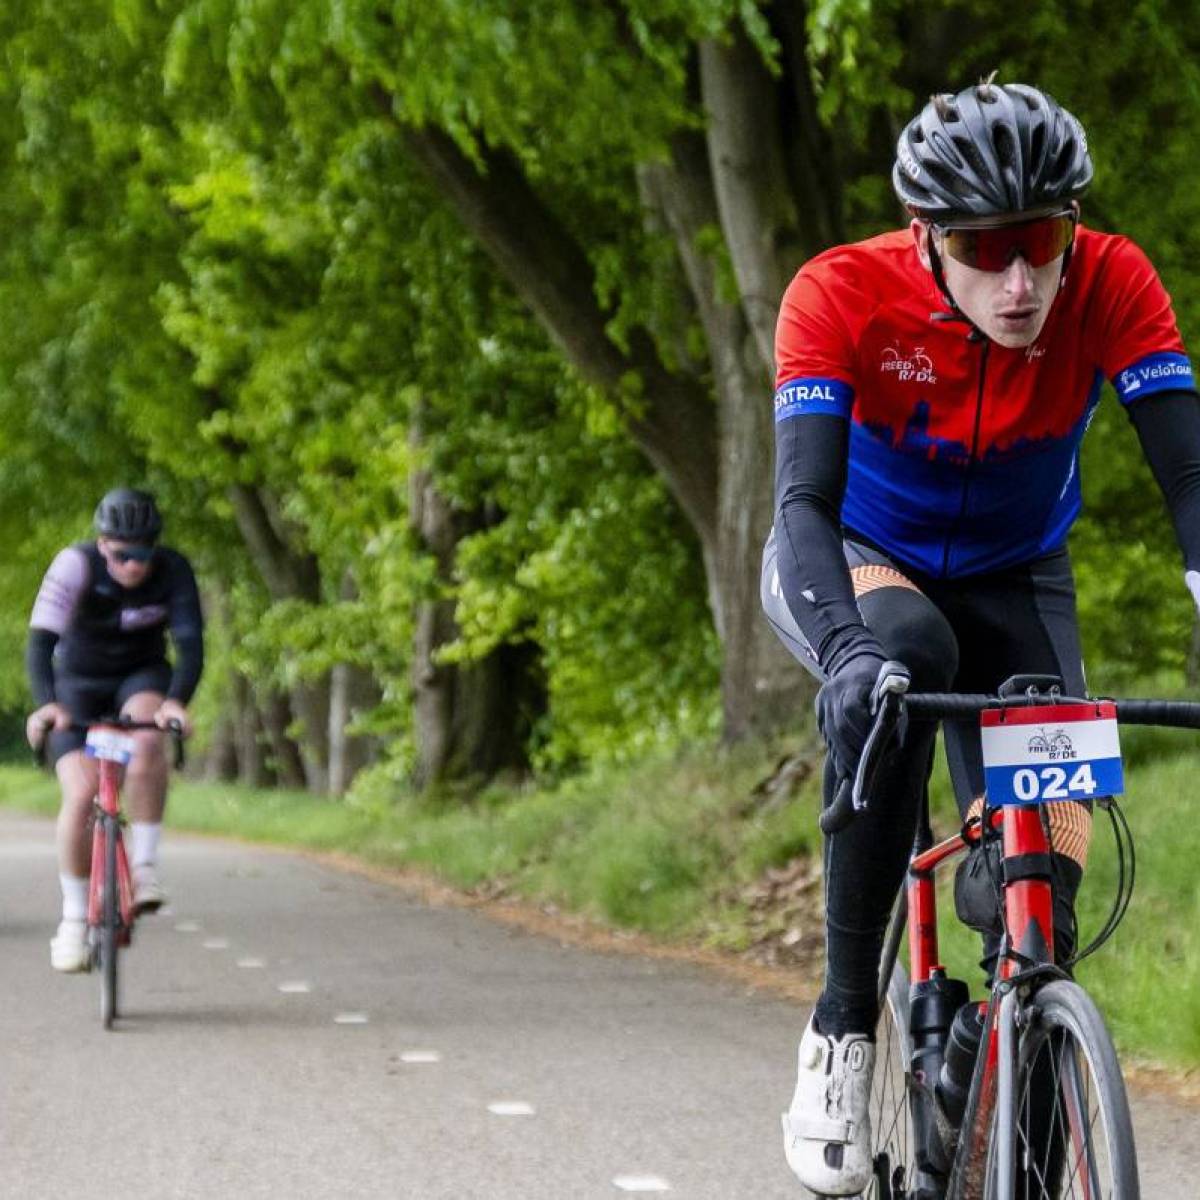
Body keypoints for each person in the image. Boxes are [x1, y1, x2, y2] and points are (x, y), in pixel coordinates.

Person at [762, 79, 1200, 1194]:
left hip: (1018, 575)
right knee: (904, 664)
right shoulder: (839, 293)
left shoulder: (1113, 282)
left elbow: (1190, 480)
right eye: (984, 247)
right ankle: (843, 1028)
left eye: (1041, 243)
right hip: (861, 559)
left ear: (1073, 230)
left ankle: (999, 1061)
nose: (1019, 282)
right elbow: (802, 504)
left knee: (1042, 877)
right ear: (925, 237)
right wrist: (846, 652)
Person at [25, 488, 204, 973]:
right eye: (123, 555)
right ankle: (72, 919)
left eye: (144, 553)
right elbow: (40, 643)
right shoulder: (74, 565)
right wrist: (47, 705)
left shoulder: (173, 570)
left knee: (147, 738)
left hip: (140, 676)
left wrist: (175, 702)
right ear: (103, 545)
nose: (134, 565)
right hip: (77, 684)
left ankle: (143, 870)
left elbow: (190, 645)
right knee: (82, 796)